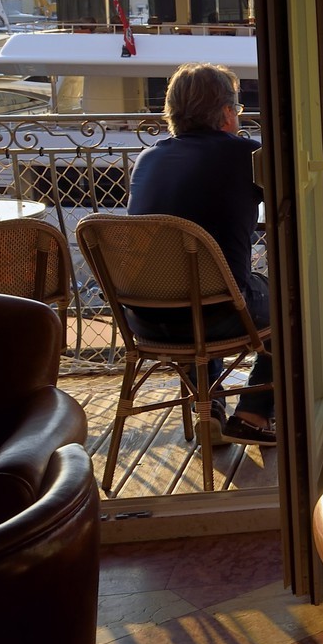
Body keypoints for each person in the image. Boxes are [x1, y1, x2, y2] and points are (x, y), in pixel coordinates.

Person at [127, 62, 275, 444]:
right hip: (216, 316)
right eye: (237, 108)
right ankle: (253, 415)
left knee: (196, 284)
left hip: (145, 318)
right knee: (294, 303)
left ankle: (207, 408)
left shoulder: (148, 159)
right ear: (227, 112)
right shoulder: (246, 155)